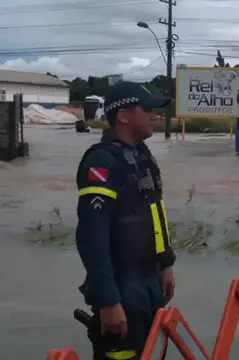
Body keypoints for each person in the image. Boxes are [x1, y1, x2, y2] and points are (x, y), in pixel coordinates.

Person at [75, 81, 176, 360]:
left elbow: (155, 214)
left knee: (154, 351)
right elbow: (92, 236)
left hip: (151, 281)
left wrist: (166, 263)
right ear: (123, 115)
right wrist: (108, 298)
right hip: (122, 287)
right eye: (147, 109)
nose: (155, 115)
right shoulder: (101, 162)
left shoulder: (143, 157)